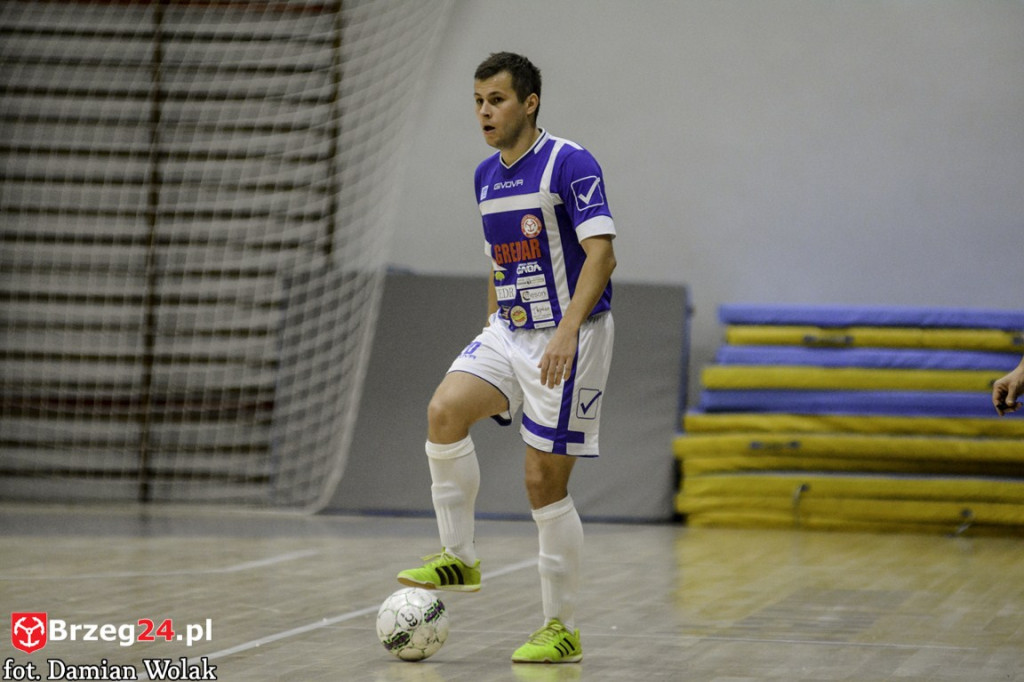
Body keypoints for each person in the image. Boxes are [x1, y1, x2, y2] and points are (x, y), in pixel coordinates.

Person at [396, 51, 617, 664]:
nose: (484, 112)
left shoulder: (570, 162)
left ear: (529, 103)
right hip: (508, 331)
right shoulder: (485, 177)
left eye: (495, 100)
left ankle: (561, 629)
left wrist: (568, 331)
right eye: (477, 101)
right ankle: (459, 559)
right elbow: (500, 259)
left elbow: (601, 255)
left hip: (571, 335)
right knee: (444, 410)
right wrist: (490, 333)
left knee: (541, 483)